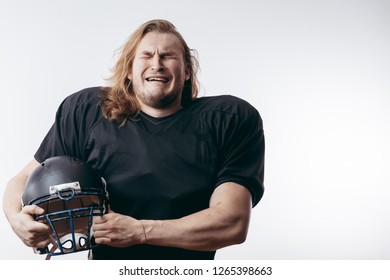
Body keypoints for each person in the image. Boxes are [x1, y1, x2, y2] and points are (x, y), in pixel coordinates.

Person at [2, 19, 265, 260]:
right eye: (147, 55)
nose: (157, 64)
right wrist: (16, 219)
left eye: (168, 56)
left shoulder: (229, 119)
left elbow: (232, 222)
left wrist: (140, 231)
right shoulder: (88, 111)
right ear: (129, 70)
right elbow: (22, 180)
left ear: (187, 72)